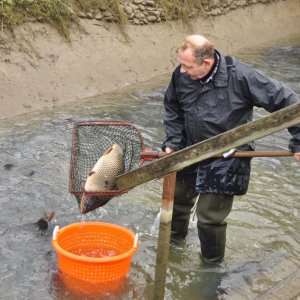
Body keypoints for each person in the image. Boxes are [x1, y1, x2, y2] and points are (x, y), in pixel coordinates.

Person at [162, 35, 300, 264]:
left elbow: (288, 102)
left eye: (188, 66)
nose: (182, 71)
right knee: (176, 201)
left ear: (206, 63)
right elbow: (173, 108)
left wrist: (299, 140)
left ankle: (210, 265)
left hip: (228, 155)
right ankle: (173, 250)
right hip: (190, 149)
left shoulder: (242, 76)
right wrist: (173, 142)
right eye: (181, 65)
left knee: (208, 217)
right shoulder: (181, 76)